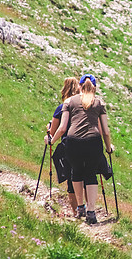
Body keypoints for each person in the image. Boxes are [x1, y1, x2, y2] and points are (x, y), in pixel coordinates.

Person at [46, 74, 113, 224]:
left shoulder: (69, 101)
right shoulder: (99, 103)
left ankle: (80, 208)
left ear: (80, 86)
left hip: (73, 142)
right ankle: (91, 212)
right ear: (94, 87)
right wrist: (108, 148)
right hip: (93, 142)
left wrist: (52, 140)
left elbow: (62, 128)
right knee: (90, 175)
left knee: (76, 172)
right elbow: (105, 132)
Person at [47, 77, 80, 216]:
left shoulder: (61, 109)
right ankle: (86, 207)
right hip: (84, 144)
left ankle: (76, 212)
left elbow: (53, 132)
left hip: (68, 146)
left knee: (71, 182)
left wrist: (48, 130)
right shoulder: (82, 108)